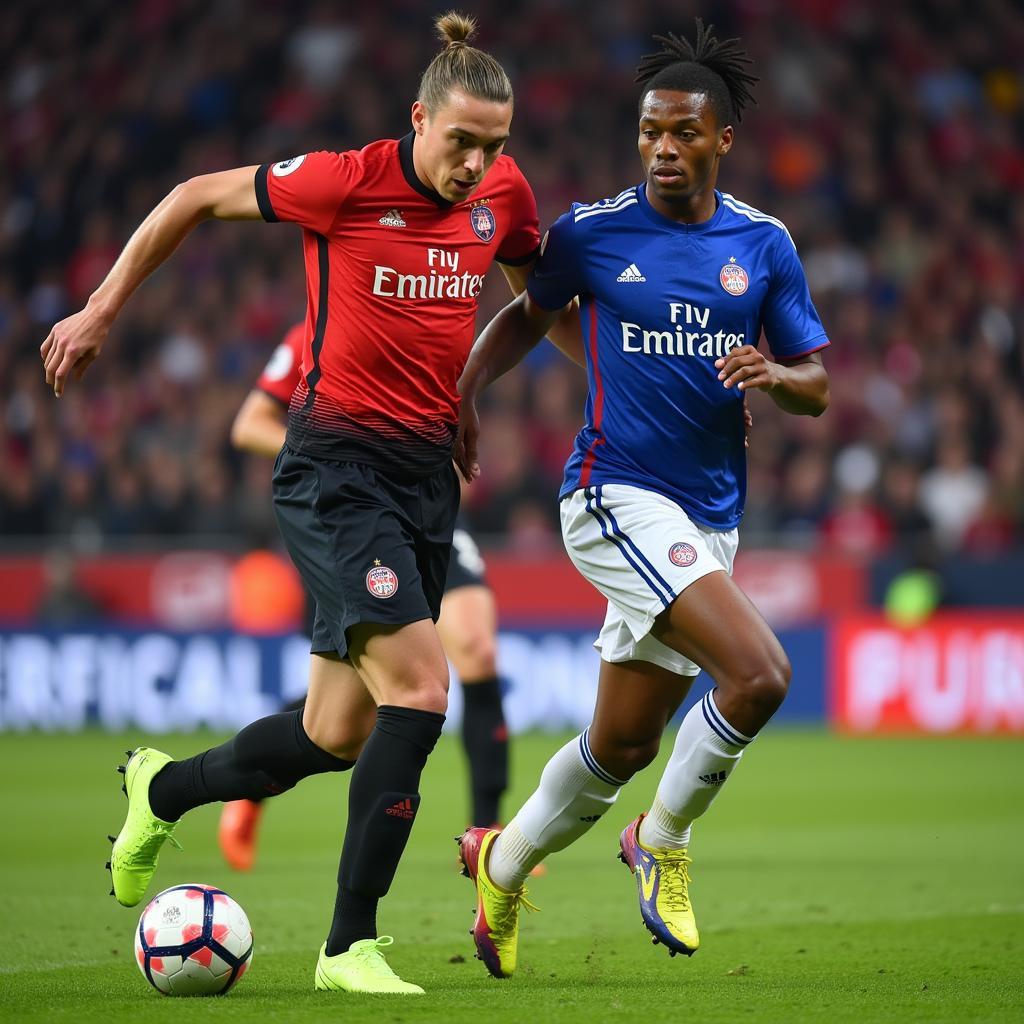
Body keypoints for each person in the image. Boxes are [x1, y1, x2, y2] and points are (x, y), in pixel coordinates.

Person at [41, 13, 578, 995]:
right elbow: (195, 195)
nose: (476, 163)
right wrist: (104, 305)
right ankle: (348, 944)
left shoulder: (504, 195)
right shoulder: (346, 179)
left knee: (336, 733)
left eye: (493, 146)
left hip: (424, 478)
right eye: (460, 140)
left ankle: (158, 786)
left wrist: (472, 395)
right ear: (418, 118)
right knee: (422, 688)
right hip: (335, 470)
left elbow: (536, 299)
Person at [454, 20, 830, 979]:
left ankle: (501, 862)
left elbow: (818, 381)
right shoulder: (594, 231)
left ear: (722, 140)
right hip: (612, 494)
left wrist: (774, 376)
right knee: (759, 677)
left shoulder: (764, 243)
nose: (665, 148)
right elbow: (526, 316)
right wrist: (460, 398)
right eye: (651, 131)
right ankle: (660, 843)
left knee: (620, 744)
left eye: (685, 133)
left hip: (709, 517)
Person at [217, 321, 516, 872]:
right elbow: (250, 424)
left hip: (428, 508)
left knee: (477, 646)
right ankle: (248, 787)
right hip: (357, 509)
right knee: (355, 704)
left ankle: (488, 831)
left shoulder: (432, 297)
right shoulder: (315, 330)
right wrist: (342, 458)